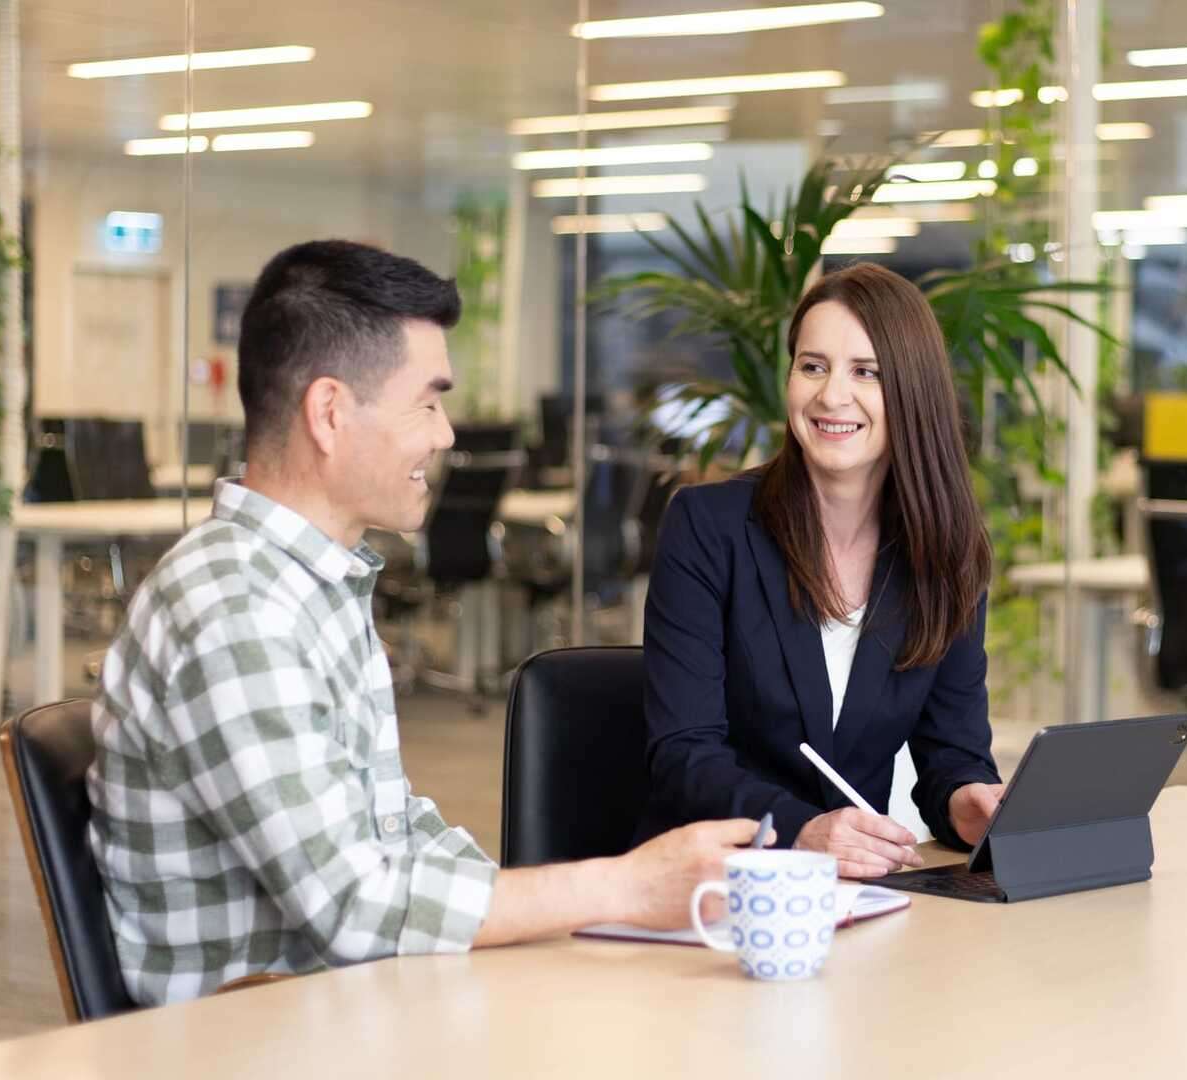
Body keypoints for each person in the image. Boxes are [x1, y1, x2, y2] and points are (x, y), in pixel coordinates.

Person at [87, 240, 753, 1006]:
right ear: (330, 413)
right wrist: (627, 887)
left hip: (350, 1011)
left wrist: (561, 910)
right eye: (427, 402)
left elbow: (396, 829)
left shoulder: (309, 585)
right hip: (255, 1043)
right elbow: (358, 909)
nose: (444, 435)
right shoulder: (235, 608)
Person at [638, 261, 1004, 879]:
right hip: (714, 891)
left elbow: (952, 751)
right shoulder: (708, 526)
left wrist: (967, 802)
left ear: (912, 393)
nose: (832, 395)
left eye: (867, 373)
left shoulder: (947, 552)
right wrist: (800, 832)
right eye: (813, 366)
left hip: (857, 897)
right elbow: (685, 754)